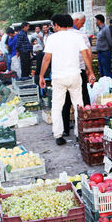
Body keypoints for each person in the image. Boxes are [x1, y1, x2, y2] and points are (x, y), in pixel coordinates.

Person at [38, 14, 95, 146]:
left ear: (57, 25)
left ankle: (58, 135)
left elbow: (46, 58)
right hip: (75, 75)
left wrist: (41, 75)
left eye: (54, 25)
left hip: (58, 77)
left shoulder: (52, 38)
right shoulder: (77, 36)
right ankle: (78, 133)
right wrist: (90, 71)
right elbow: (86, 54)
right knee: (78, 105)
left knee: (57, 106)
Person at [61, 12, 93, 136]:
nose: (82, 25)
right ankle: (86, 126)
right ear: (75, 21)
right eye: (82, 22)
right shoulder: (80, 35)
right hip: (79, 71)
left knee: (66, 100)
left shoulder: (59, 36)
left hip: (64, 72)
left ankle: (65, 129)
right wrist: (90, 71)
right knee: (82, 98)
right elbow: (88, 53)